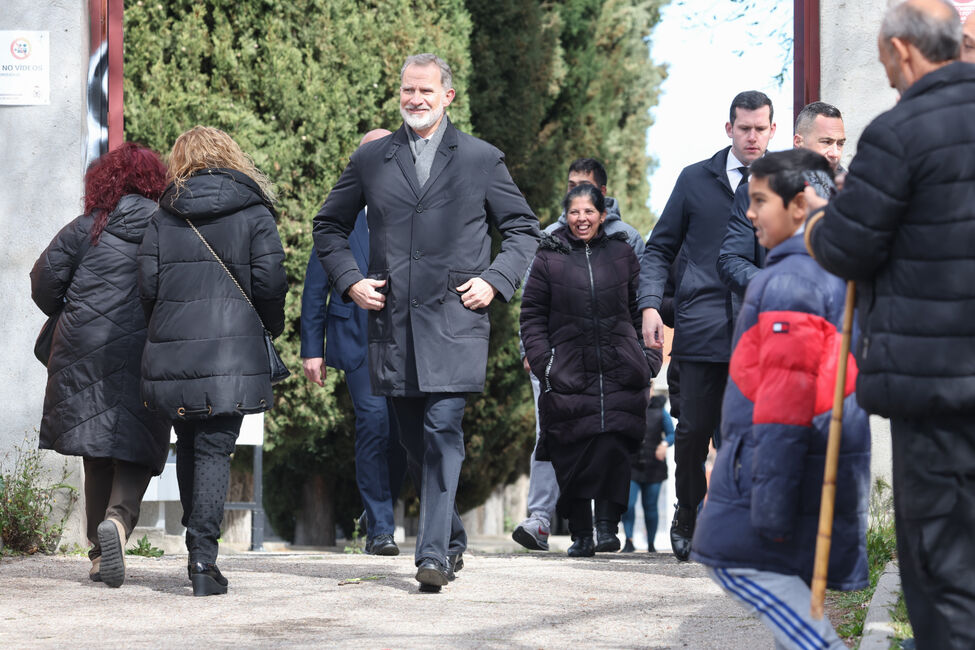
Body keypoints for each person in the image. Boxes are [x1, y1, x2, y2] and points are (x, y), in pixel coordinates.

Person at [313, 53, 540, 591]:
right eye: (407, 90)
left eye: (426, 92)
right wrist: (350, 280)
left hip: (454, 323)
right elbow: (328, 225)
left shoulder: (481, 159)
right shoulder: (372, 160)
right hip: (391, 328)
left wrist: (495, 279)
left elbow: (524, 228)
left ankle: (432, 555)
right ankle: (453, 538)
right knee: (414, 443)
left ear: (448, 97)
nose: (415, 99)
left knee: (442, 433)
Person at [805, 1, 975, 645]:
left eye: (885, 62)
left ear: (904, 51)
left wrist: (821, 218)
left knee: (942, 566)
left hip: (934, 390)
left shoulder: (900, 134)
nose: (888, 76)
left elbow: (848, 248)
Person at [693, 149, 870, 648]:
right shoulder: (820, 272)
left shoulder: (789, 282)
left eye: (759, 200)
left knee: (746, 573)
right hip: (792, 480)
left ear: (799, 206)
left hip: (767, 491)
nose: (750, 213)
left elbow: (783, 407)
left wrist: (767, 512)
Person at [138, 126, 287, 597]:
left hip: (175, 347)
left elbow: (147, 286)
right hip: (232, 350)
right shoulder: (254, 211)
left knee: (188, 442)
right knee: (215, 448)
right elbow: (270, 280)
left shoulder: (164, 216)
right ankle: (203, 558)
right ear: (231, 156)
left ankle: (196, 545)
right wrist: (269, 325)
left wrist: (165, 326)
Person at [639, 91, 775, 560]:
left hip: (761, 334)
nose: (752, 136)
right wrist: (651, 306)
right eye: (744, 128)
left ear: (773, 131)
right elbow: (658, 248)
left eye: (760, 128)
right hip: (700, 330)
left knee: (747, 435)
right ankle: (689, 514)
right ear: (729, 129)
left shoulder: (784, 184)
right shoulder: (695, 180)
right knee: (694, 432)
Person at [30, 143, 171, 589]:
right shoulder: (167, 227)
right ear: (154, 182)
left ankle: (97, 550)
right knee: (140, 441)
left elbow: (42, 286)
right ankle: (118, 522)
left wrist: (74, 307)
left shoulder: (85, 229)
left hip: (84, 345)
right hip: (148, 345)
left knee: (97, 445)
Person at [520, 184, 661, 557]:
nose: (581, 219)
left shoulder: (622, 253)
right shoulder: (548, 257)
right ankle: (581, 533)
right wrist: (544, 364)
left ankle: (606, 526)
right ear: (565, 216)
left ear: (601, 214)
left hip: (618, 371)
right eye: (574, 212)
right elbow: (531, 316)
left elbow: (640, 308)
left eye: (588, 211)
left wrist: (646, 359)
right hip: (568, 371)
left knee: (614, 446)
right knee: (572, 449)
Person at [300, 129, 409, 556]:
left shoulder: (411, 209)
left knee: (404, 436)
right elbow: (315, 286)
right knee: (374, 427)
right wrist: (313, 348)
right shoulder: (340, 213)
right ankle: (381, 527)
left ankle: (376, 506)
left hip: (406, 345)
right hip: (358, 340)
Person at [717, 101, 847, 301]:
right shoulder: (757, 191)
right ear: (798, 141)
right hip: (776, 315)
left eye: (840, 143)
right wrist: (783, 287)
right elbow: (732, 261)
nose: (835, 152)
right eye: (826, 142)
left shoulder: (854, 193)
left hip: (838, 319)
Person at [621, 388, 674, 553]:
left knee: (650, 506)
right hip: (632, 465)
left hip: (654, 466)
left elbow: (672, 433)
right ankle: (629, 540)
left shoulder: (660, 411)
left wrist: (664, 445)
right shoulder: (628, 408)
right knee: (628, 505)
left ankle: (651, 544)